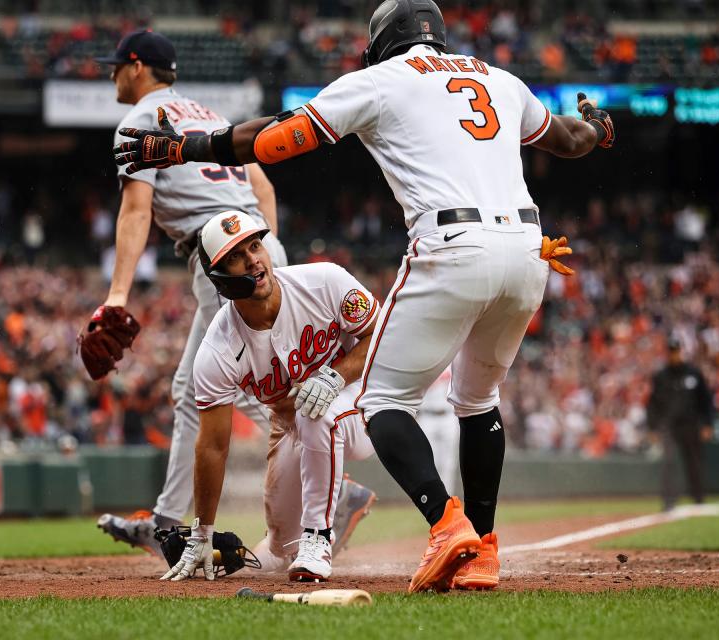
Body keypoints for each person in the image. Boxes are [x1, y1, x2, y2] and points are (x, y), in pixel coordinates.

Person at [113, 0, 613, 592]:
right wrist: (600, 125)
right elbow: (574, 138)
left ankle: (447, 524)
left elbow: (273, 141)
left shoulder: (382, 80)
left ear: (382, 41)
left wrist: (183, 149)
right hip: (530, 248)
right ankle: (482, 549)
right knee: (478, 402)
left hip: (452, 243)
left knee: (379, 400)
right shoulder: (498, 78)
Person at [90, 30, 375, 557]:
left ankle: (328, 483)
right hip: (260, 248)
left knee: (223, 385)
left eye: (116, 65)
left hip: (223, 261)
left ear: (137, 67)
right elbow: (261, 185)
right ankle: (168, 519)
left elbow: (136, 212)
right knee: (192, 388)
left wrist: (118, 296)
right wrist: (264, 249)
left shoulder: (138, 123)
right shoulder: (209, 115)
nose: (112, 74)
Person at [160, 211, 378, 582]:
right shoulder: (218, 350)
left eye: (255, 245)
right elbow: (212, 445)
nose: (253, 259)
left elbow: (382, 335)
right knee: (279, 547)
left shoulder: (324, 281)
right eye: (235, 255)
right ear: (220, 279)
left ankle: (318, 536)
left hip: (365, 398)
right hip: (295, 423)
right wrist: (202, 533)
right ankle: (324, 513)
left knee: (313, 409)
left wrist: (334, 377)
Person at [646, 336, 714, 511]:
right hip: (669, 426)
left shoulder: (693, 373)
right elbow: (653, 403)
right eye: (671, 351)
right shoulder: (661, 376)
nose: (674, 355)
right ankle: (669, 501)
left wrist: (707, 423)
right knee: (668, 463)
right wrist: (653, 427)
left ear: (681, 352)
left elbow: (705, 400)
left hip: (691, 425)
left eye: (676, 351)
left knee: (694, 463)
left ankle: (698, 498)